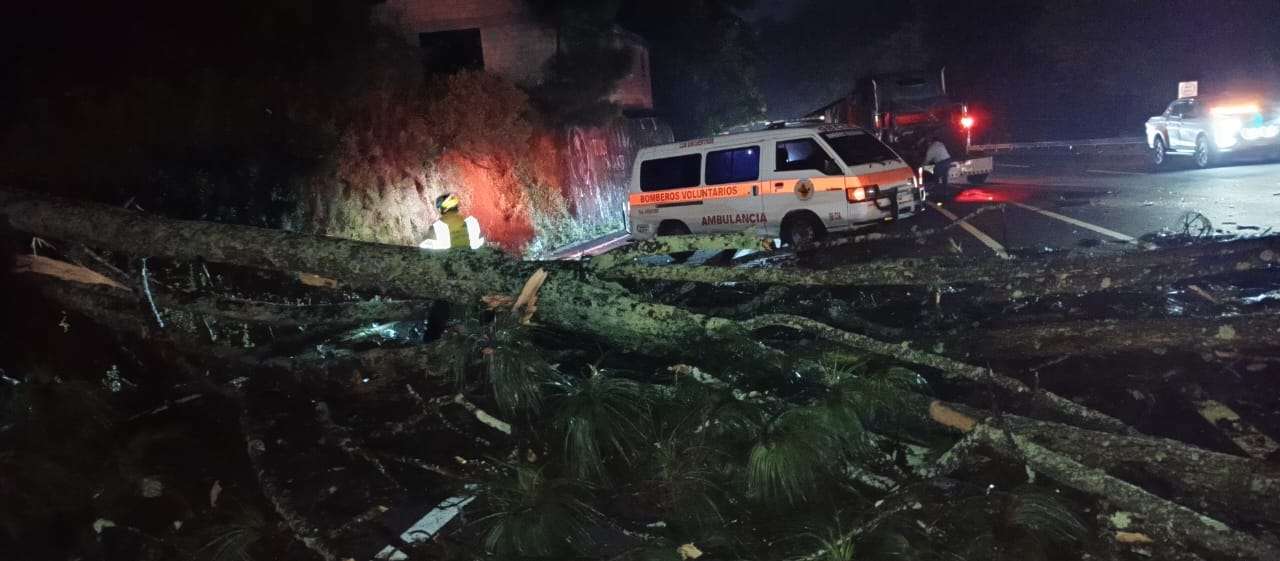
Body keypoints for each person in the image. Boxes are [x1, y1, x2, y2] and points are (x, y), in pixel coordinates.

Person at [419, 193, 485, 250]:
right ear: (456, 207)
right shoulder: (472, 221)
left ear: (441, 209)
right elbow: (482, 241)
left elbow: (422, 247)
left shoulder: (436, 227)